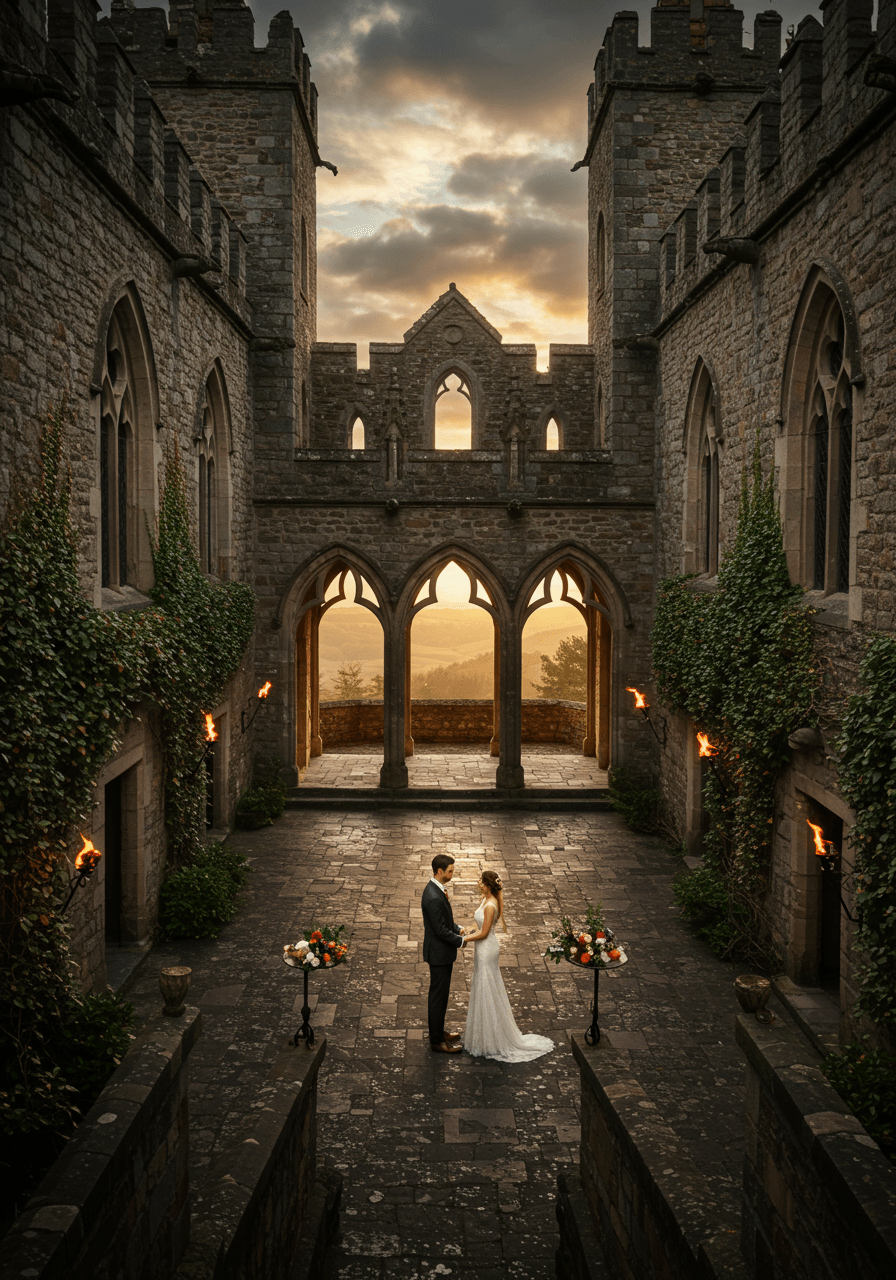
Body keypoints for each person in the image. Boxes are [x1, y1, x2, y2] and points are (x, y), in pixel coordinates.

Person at [463, 869, 554, 1063]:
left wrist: (463, 939)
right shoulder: (486, 898)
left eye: (481, 882)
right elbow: (478, 925)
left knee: (487, 987)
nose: (479, 884)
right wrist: (467, 928)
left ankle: (492, 1038)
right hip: (483, 949)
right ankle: (486, 1033)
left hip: (486, 949)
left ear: (488, 885)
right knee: (484, 986)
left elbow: (484, 933)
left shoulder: (490, 905)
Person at [421, 853, 466, 1054]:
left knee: (441, 996)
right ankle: (437, 1041)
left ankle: (438, 1031)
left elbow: (444, 920)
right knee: (438, 998)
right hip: (439, 955)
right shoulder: (432, 897)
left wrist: (457, 928)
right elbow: (439, 930)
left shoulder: (436, 889)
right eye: (450, 871)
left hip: (442, 953)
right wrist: (461, 940)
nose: (452, 874)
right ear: (440, 871)